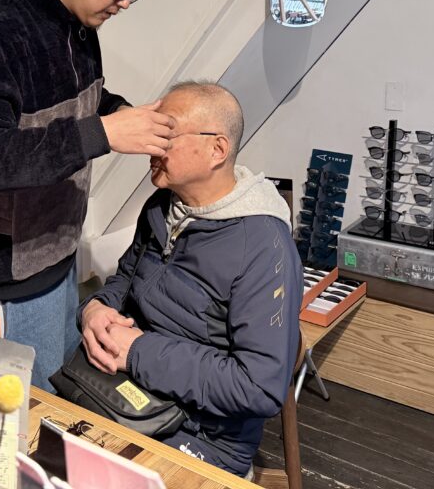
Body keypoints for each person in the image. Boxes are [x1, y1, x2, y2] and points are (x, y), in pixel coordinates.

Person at [0, 0, 193, 392]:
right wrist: (103, 134)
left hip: (57, 252)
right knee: (24, 416)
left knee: (59, 395)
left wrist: (122, 114)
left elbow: (81, 101)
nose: (125, 3)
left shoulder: (78, 26)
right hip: (5, 276)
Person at [78, 82, 303, 477]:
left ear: (217, 149)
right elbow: (126, 279)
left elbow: (259, 387)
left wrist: (138, 351)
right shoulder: (161, 208)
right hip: (129, 397)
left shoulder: (264, 246)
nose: (150, 144)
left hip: (204, 439)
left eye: (167, 132)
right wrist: (97, 307)